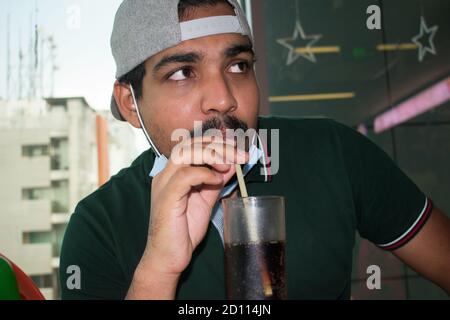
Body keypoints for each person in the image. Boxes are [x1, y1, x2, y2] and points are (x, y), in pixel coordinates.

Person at [59, 0, 450, 299]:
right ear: (130, 103)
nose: (223, 99)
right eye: (182, 73)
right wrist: (158, 268)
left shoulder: (334, 153)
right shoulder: (98, 227)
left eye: (238, 66)